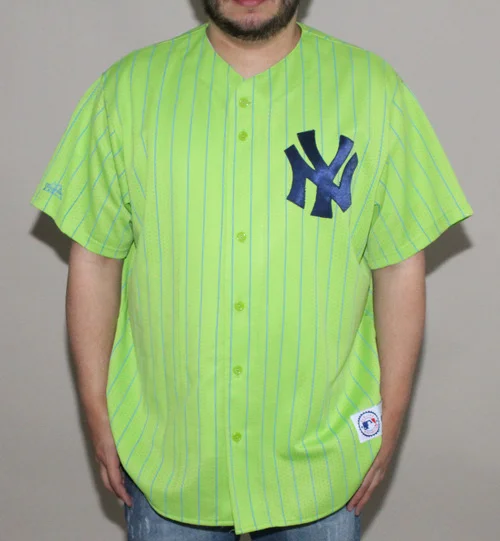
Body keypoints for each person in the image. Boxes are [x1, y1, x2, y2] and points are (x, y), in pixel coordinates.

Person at [31, 0, 472, 539]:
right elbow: (97, 259)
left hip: (322, 466)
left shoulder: (377, 93)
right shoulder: (124, 92)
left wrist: (391, 420)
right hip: (168, 460)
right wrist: (96, 411)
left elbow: (399, 266)